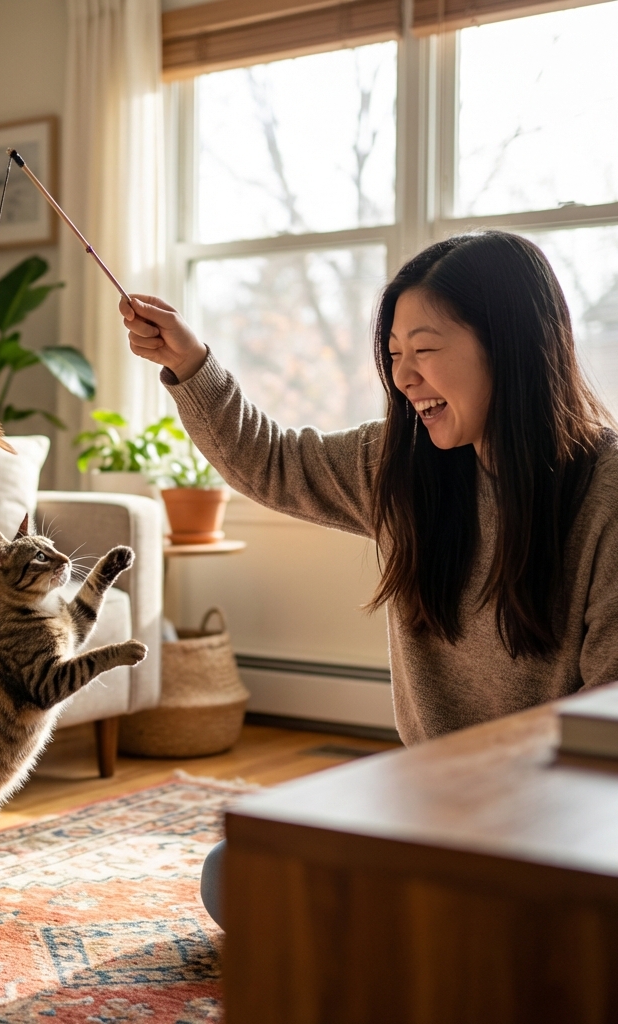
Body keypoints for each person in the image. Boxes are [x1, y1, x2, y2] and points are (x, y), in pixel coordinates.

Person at [121, 231, 618, 928]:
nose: (405, 377)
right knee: (234, 876)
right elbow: (272, 462)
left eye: (425, 350)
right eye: (393, 356)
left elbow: (609, 714)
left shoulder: (606, 490)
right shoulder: (403, 463)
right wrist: (192, 364)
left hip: (558, 821)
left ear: (509, 343)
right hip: (431, 807)